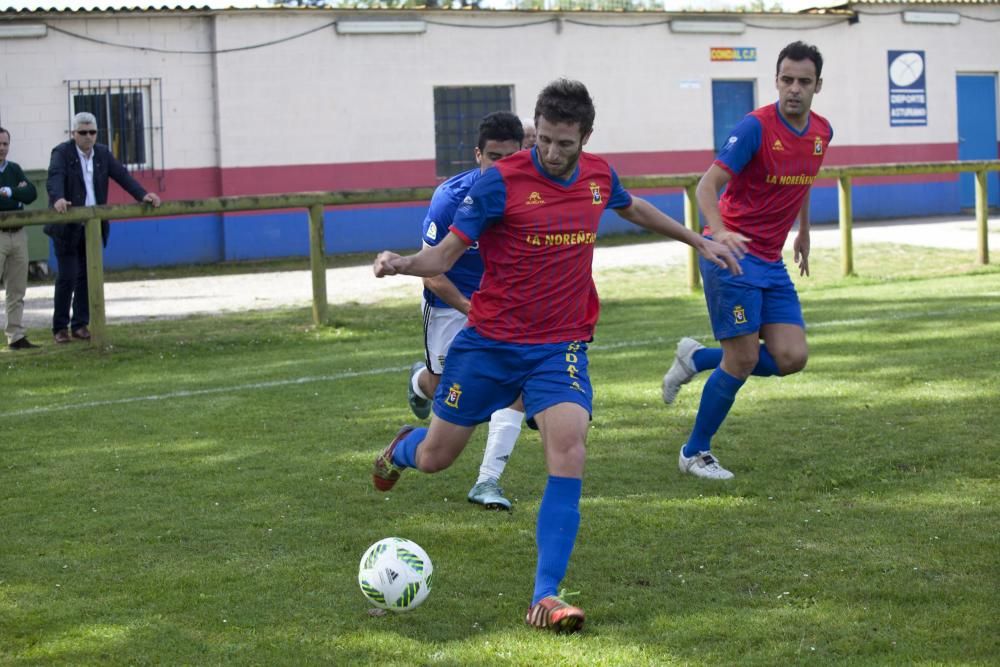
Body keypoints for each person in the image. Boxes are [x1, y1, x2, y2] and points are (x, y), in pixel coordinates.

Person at [372, 79, 740, 633]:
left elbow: (633, 207)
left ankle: (545, 596)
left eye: (565, 143)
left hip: (559, 346)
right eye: (543, 139)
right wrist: (403, 263)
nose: (551, 152)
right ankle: (402, 446)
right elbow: (446, 252)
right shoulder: (500, 183)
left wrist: (698, 239)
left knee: (568, 450)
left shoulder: (597, 174)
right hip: (489, 344)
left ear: (584, 137)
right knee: (435, 459)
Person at [661, 41, 832, 480]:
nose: (794, 89)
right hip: (731, 256)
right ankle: (694, 452)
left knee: (792, 357)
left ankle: (698, 359)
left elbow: (804, 181)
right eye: (787, 79)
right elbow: (706, 186)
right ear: (776, 80)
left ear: (817, 85)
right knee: (741, 360)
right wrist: (717, 233)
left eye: (804, 81)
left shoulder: (821, 132)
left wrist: (804, 231)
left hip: (770, 260)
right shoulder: (755, 127)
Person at [406, 111, 526, 511]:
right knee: (451, 396)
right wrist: (470, 307)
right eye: (494, 156)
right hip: (450, 306)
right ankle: (421, 382)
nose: (502, 166)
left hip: (503, 308)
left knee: (517, 386)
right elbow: (431, 272)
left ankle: (487, 481)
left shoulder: (530, 194)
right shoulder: (450, 199)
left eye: (511, 156)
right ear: (478, 155)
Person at [45, 112, 161, 343]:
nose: (88, 137)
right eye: (83, 132)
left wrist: (142, 195)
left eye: (92, 132)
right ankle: (60, 328)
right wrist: (58, 198)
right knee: (67, 276)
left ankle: (80, 325)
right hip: (67, 225)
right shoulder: (62, 152)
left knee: (88, 276)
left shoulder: (103, 154)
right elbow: (54, 178)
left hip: (93, 226)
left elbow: (123, 176)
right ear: (73, 134)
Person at [0, 126, 40, 350]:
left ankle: (15, 335)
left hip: (18, 233)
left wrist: (10, 192)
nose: (2, 148)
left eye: (5, 144)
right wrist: (15, 196)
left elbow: (31, 194)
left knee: (16, 288)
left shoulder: (14, 169)